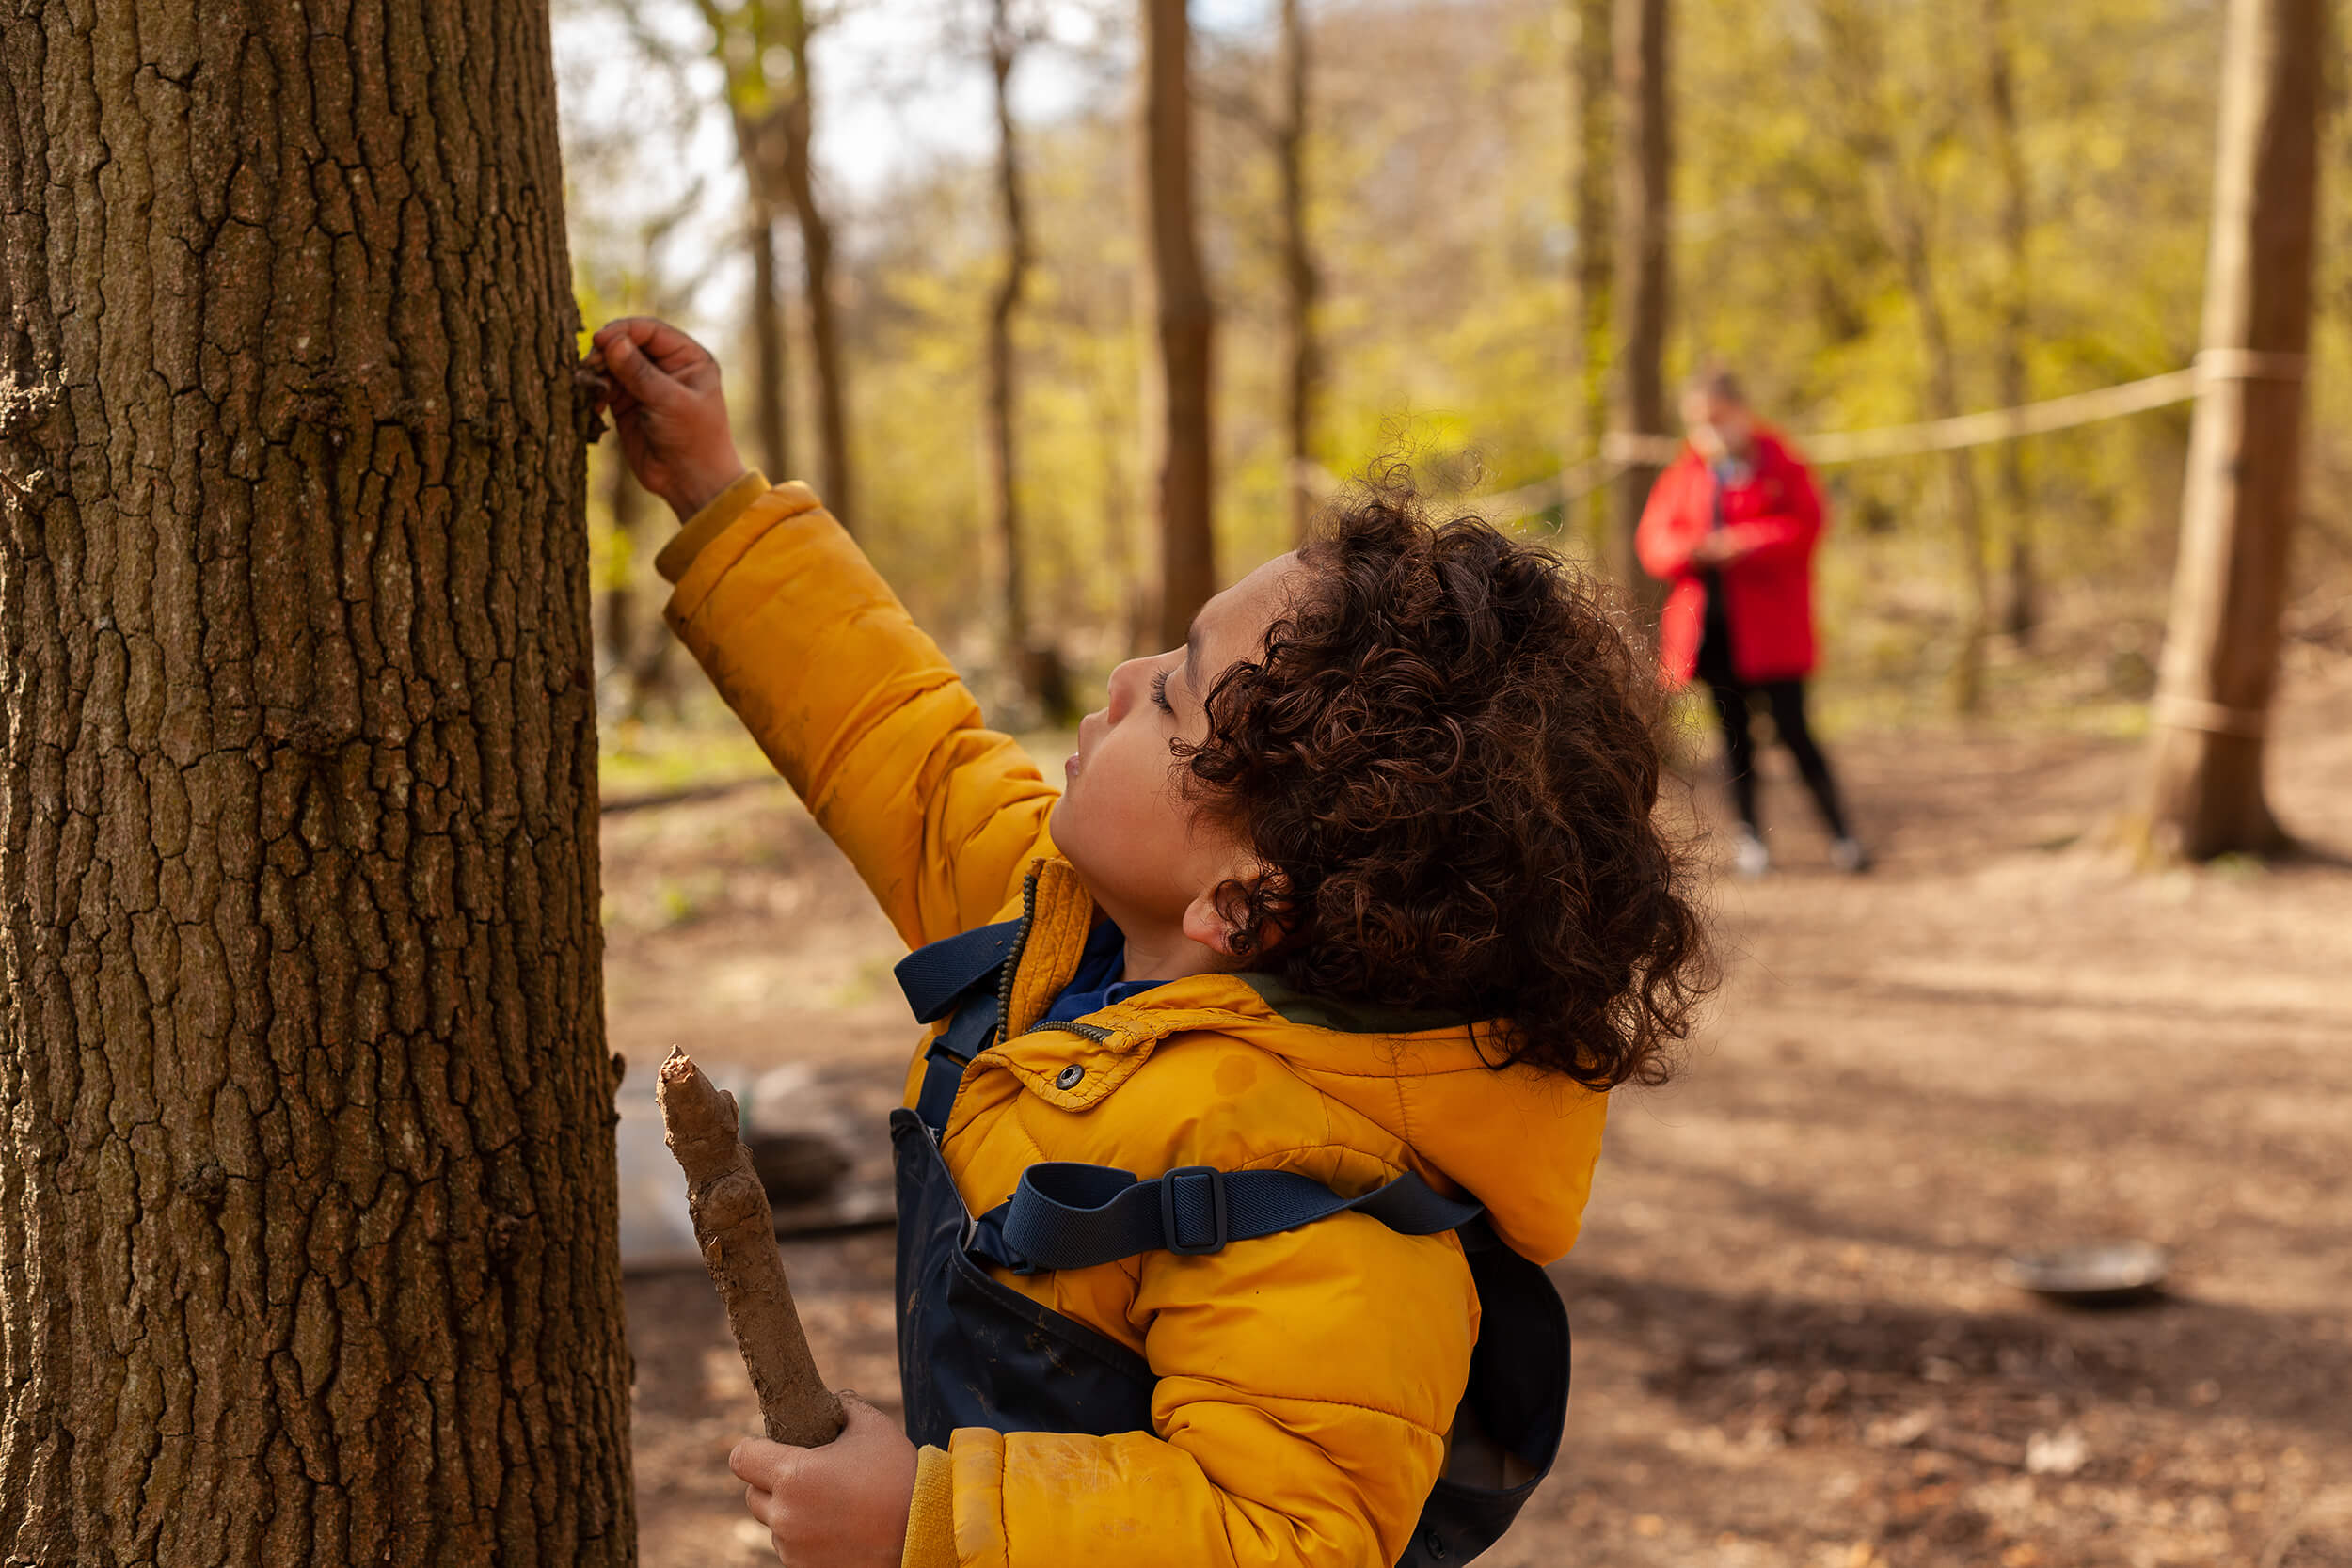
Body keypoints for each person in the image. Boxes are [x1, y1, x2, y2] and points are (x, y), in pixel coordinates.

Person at [587, 316, 1713, 1568]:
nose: (1122, 675)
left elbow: (1282, 1540)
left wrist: (928, 1521)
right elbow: (892, 739)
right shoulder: (1058, 920)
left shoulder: (1326, 1213)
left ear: (1238, 902)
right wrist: (716, 492)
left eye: (1173, 688)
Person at [1637, 368, 1868, 876]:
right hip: (1713, 635)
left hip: (1773, 633)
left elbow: (1805, 527)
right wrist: (1694, 549)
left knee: (1795, 733)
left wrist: (1741, 543)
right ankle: (1751, 841)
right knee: (1734, 740)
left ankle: (1842, 835)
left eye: (1718, 418)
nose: (1710, 430)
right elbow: (1655, 542)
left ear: (1740, 411)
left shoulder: (1780, 462)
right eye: (1699, 421)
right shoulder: (1685, 473)